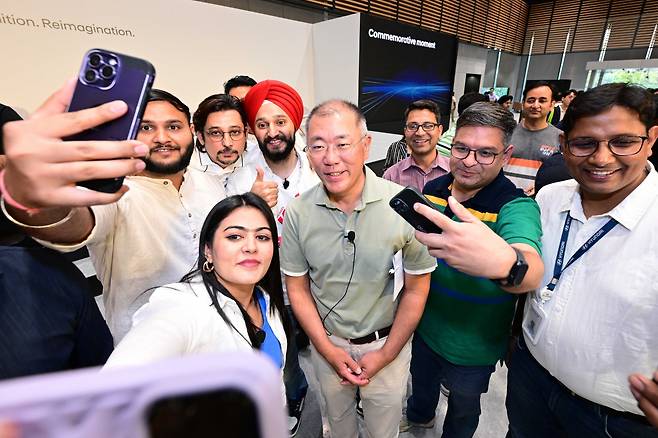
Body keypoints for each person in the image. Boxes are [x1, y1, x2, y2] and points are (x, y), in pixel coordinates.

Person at [1, 85, 226, 342]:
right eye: (146, 128)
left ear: (191, 132)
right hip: (144, 351)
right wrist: (35, 195)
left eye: (174, 126)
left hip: (217, 337)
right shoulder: (114, 195)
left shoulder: (211, 183)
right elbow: (72, 223)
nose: (162, 138)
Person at [505, 83, 658, 437]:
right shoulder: (549, 198)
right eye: (585, 143)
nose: (602, 159)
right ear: (563, 145)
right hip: (532, 381)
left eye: (622, 142)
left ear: (650, 140)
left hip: (615, 421)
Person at [281, 99, 436, 438]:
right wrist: (327, 349)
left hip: (387, 344)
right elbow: (298, 288)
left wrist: (386, 354)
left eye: (342, 144)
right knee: (339, 426)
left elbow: (417, 289)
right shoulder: (298, 213)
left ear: (366, 146)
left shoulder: (405, 205)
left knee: (383, 428)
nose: (330, 158)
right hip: (327, 344)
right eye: (317, 146)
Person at [402, 102, 544, 437]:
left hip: (474, 344)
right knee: (420, 387)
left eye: (485, 153)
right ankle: (420, 417)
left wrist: (508, 264)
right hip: (424, 324)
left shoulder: (515, 206)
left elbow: (529, 263)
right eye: (462, 148)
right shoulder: (433, 191)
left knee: (464, 407)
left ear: (506, 155)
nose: (468, 161)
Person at [105, 193, 289, 374]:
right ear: (208, 250)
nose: (251, 247)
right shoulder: (185, 307)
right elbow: (117, 384)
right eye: (234, 236)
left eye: (262, 237)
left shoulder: (264, 299)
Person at [504, 81, 562, 196]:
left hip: (539, 200)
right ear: (523, 103)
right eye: (531, 101)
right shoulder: (506, 132)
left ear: (551, 105)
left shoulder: (560, 137)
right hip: (504, 196)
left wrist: (541, 186)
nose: (535, 105)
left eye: (542, 101)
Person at [190, 93, 258, 185]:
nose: (227, 143)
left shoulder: (258, 158)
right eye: (216, 133)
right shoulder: (185, 164)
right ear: (201, 137)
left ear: (246, 134)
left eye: (235, 132)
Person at [383, 100, 450, 191]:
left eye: (428, 126)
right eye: (413, 126)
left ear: (440, 131)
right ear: (405, 131)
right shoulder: (391, 176)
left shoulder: (455, 172)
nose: (420, 133)